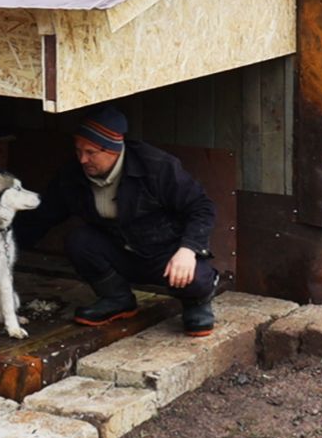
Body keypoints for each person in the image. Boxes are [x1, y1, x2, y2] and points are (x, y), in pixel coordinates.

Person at [14, 106, 224, 337]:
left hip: (164, 252)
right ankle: (117, 298)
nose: (83, 159)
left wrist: (188, 250)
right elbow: (44, 215)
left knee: (195, 279)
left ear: (113, 151)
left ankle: (196, 303)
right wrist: (7, 248)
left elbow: (202, 207)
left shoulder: (156, 166)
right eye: (78, 150)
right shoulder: (72, 175)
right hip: (120, 250)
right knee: (79, 240)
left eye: (91, 152)